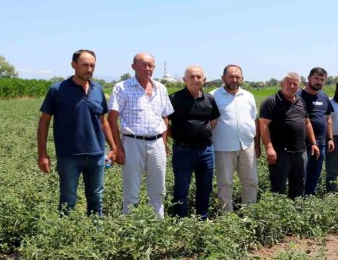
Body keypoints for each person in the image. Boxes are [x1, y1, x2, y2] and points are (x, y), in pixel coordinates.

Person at [37, 49, 116, 216]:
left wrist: (113, 147)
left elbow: (103, 122)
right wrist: (42, 154)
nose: (89, 69)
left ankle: (96, 230)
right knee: (68, 200)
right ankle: (65, 231)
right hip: (69, 156)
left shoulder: (98, 89)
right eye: (85, 65)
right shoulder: (57, 89)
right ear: (73, 65)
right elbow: (44, 122)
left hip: (96, 155)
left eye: (92, 65)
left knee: (96, 199)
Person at [108, 53, 174, 218]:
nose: (147, 68)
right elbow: (112, 119)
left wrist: (164, 143)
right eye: (143, 65)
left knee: (159, 190)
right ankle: (130, 226)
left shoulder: (161, 88)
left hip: (157, 142)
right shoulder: (122, 87)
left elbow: (165, 116)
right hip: (132, 142)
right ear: (133, 67)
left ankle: (158, 225)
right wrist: (117, 148)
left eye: (150, 65)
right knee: (131, 190)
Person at [167, 65, 220, 219]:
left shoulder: (209, 98)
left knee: (205, 186)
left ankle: (202, 218)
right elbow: (165, 122)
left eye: (199, 77)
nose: (195, 80)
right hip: (183, 150)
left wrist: (201, 132)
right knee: (181, 187)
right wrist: (178, 136)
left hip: (206, 150)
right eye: (192, 76)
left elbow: (213, 120)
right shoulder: (174, 98)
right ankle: (181, 220)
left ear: (204, 80)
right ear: (185, 79)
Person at [259, 72, 321, 199]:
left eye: (295, 84)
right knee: (278, 187)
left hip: (300, 152)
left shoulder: (300, 100)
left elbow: (307, 123)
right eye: (289, 83)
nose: (292, 86)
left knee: (299, 186)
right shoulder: (271, 101)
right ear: (282, 84)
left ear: (299, 86)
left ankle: (296, 208)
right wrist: (269, 148)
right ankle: (278, 210)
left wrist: (314, 143)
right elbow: (263, 125)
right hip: (280, 153)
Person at [210, 64, 260, 213]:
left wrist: (257, 145)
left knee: (251, 182)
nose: (234, 80)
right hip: (223, 147)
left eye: (237, 77)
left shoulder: (248, 96)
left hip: (247, 145)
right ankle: (227, 217)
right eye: (231, 76)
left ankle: (248, 214)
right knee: (225, 184)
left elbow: (254, 120)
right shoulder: (213, 96)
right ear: (223, 78)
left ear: (242, 78)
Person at [298, 67, 335, 195]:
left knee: (315, 172)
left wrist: (330, 138)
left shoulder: (324, 96)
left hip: (321, 142)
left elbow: (328, 119)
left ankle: (310, 196)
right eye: (316, 78)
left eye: (322, 79)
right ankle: (298, 198)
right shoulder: (298, 95)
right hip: (302, 142)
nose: (319, 82)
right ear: (309, 78)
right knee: (301, 172)